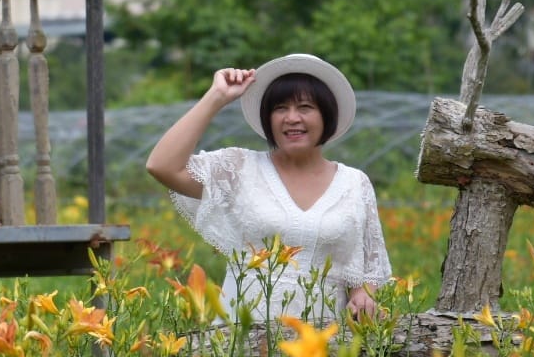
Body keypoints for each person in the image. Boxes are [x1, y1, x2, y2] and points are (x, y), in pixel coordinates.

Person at [145, 53, 391, 326]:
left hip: (322, 348)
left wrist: (363, 298)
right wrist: (216, 97)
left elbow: (365, 273)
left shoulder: (355, 184)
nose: (291, 118)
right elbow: (162, 165)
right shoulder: (239, 169)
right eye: (280, 108)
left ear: (327, 115)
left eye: (305, 107)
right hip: (240, 338)